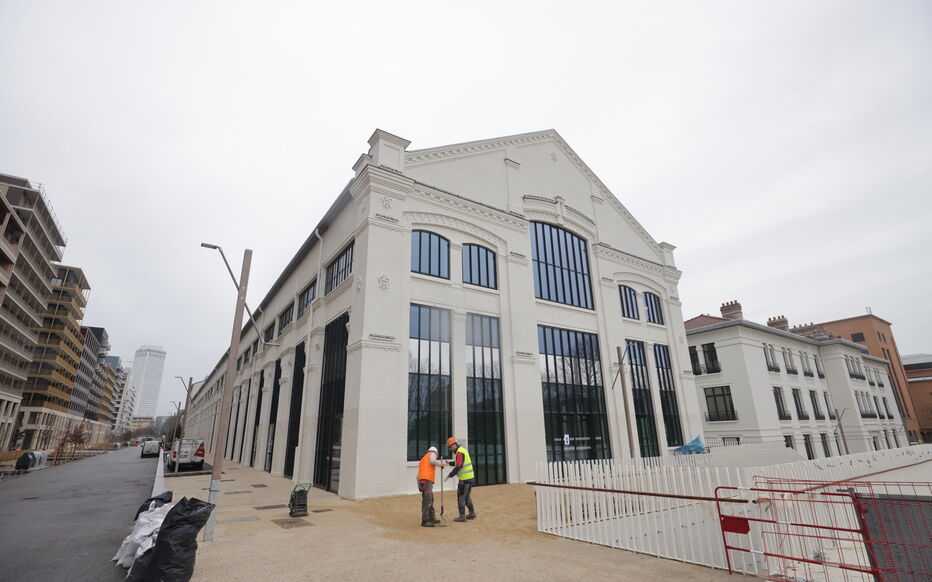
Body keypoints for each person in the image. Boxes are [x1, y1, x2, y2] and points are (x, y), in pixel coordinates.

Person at [445, 437, 476, 522]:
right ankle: (472, 513)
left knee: (461, 497)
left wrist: (450, 475)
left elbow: (459, 465)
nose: (450, 449)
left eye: (450, 447)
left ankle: (462, 516)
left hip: (464, 479)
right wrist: (449, 463)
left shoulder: (459, 452)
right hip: (470, 478)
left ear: (454, 445)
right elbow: (459, 462)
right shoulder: (462, 450)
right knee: (467, 497)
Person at [417, 445, 445, 527]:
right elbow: (433, 461)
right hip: (427, 480)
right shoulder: (432, 454)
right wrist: (441, 463)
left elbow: (417, 475)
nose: (436, 456)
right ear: (436, 452)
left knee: (429, 499)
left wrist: (419, 486)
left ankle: (432, 517)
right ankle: (425, 520)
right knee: (428, 500)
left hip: (423, 481)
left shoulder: (423, 460)